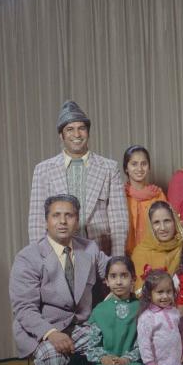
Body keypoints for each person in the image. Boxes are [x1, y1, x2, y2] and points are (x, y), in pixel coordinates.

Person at [10, 194, 108, 365]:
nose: (63, 221)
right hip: (45, 329)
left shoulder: (90, 249)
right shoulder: (28, 257)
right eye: (56, 215)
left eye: (69, 215)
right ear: (46, 221)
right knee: (51, 355)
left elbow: (116, 272)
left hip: (82, 325)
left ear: (77, 221)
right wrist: (51, 334)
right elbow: (23, 308)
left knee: (110, 341)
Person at [28, 101, 128, 256]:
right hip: (58, 254)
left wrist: (116, 261)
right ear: (61, 135)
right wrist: (41, 260)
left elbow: (119, 222)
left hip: (100, 253)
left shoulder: (109, 168)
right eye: (70, 129)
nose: (76, 134)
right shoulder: (43, 170)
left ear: (88, 132)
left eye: (81, 128)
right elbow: (36, 224)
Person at [131, 201, 183, 292]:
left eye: (167, 221)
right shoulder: (140, 253)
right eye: (156, 223)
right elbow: (140, 291)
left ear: (175, 221)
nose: (163, 228)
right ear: (150, 226)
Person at [122, 145, 167, 255]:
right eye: (134, 164)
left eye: (144, 164)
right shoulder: (119, 195)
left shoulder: (157, 194)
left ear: (149, 167)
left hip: (154, 253)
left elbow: (167, 226)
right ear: (126, 168)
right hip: (125, 256)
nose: (140, 169)